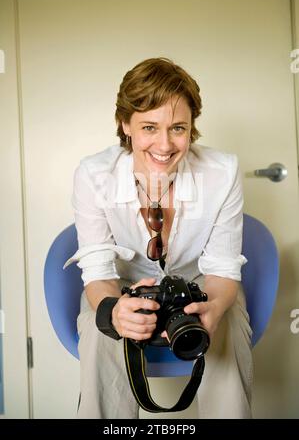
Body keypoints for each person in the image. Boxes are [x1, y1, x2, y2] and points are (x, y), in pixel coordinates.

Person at [65, 57, 253, 419]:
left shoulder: (223, 172)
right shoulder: (92, 175)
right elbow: (99, 274)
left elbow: (223, 270)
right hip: (122, 282)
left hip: (197, 279)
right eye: (150, 127)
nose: (165, 145)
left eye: (178, 128)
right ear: (126, 125)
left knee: (229, 314)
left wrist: (212, 308)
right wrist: (114, 312)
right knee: (97, 321)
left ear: (192, 128)